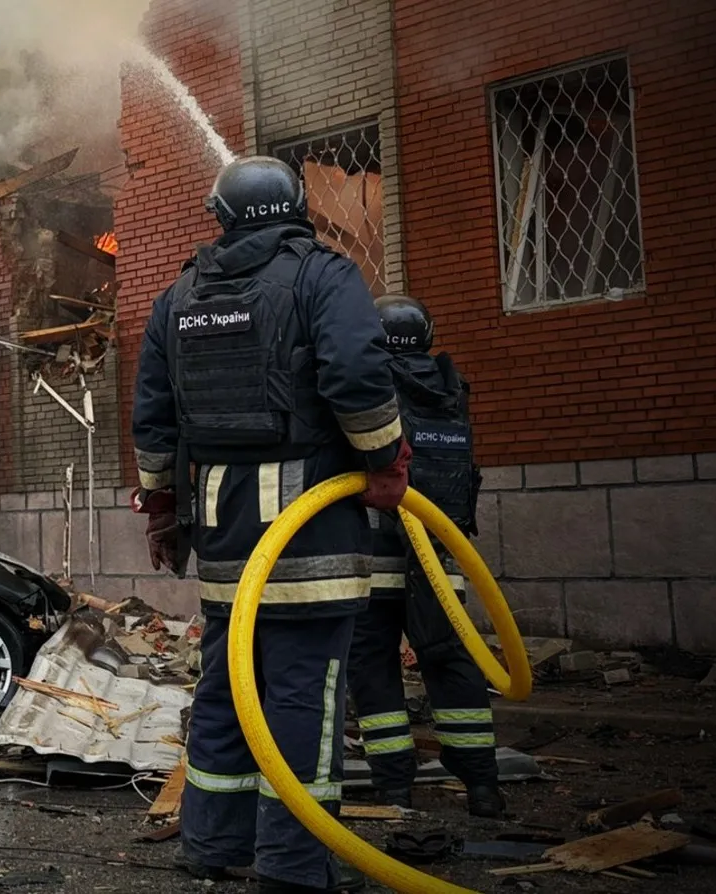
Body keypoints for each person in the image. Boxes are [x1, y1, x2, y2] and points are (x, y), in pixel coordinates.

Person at [131, 155, 411, 894]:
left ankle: (214, 841)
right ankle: (295, 862)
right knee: (300, 695)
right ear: (294, 210)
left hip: (225, 541)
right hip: (308, 531)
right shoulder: (325, 277)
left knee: (227, 686)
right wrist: (385, 460)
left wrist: (161, 513)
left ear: (220, 216)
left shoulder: (177, 298)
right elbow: (356, 373)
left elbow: (153, 422)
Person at [347, 294, 504, 818]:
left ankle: (394, 784)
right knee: (450, 661)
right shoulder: (449, 387)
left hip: (375, 555)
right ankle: (482, 784)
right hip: (440, 556)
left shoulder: (369, 385)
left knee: (373, 664)